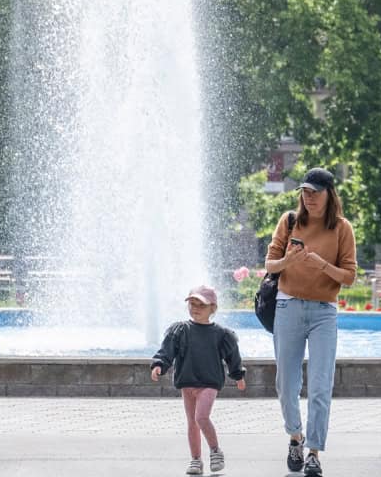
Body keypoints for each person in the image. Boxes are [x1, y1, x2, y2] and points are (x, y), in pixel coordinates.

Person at [264, 167, 357, 477]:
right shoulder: (289, 221)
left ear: (330, 194)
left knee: (319, 386)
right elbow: (269, 264)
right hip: (288, 307)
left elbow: (350, 277)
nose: (309, 197)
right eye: (305, 192)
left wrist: (321, 264)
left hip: (323, 313)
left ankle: (314, 452)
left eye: (316, 192)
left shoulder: (342, 228)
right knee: (286, 385)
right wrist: (288, 262)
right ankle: (295, 436)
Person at [151, 284, 247, 475]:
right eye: (192, 303)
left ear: (213, 308)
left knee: (201, 417)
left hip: (209, 382)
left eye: (201, 305)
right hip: (187, 382)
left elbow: (232, 356)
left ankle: (215, 450)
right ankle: (196, 459)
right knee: (192, 422)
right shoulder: (180, 330)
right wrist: (159, 364)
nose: (195, 308)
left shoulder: (221, 334)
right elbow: (167, 351)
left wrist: (238, 375)